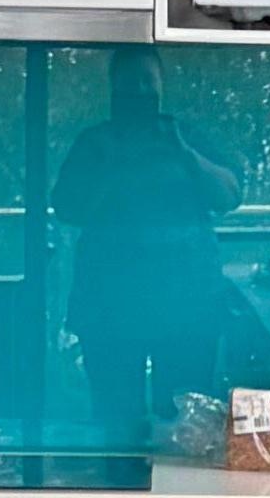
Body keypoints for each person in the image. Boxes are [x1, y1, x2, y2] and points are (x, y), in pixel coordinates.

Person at [51, 64, 237, 448]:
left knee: (188, 420)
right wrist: (114, 166)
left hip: (188, 302)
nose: (136, 90)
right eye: (126, 81)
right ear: (112, 87)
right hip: (110, 304)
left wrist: (183, 154)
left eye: (144, 80)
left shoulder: (186, 135)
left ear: (160, 84)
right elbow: (67, 208)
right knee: (115, 424)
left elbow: (230, 196)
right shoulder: (96, 143)